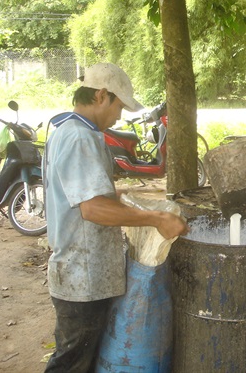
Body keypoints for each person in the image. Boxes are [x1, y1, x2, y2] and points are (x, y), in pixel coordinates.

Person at [42, 63, 188, 372]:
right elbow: (91, 209)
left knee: (82, 356)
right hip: (82, 275)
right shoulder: (79, 137)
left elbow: (82, 195)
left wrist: (118, 197)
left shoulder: (69, 130)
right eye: (119, 105)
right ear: (100, 96)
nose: (119, 115)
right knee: (71, 362)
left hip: (81, 270)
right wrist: (155, 219)